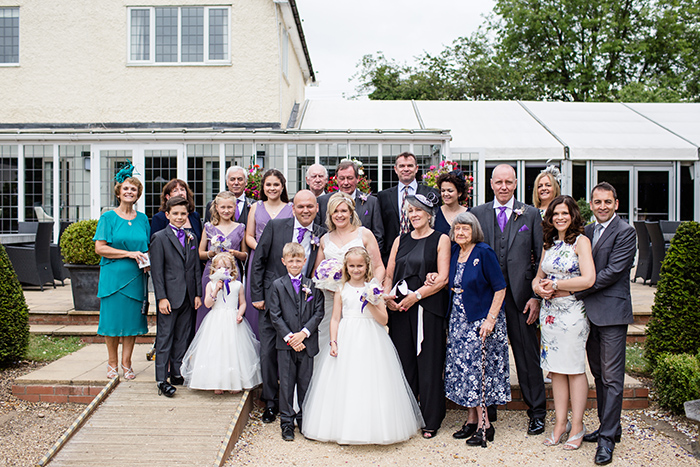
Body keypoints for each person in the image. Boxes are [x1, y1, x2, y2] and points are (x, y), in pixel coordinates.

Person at [303, 247, 424, 444]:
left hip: (370, 337)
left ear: (367, 266)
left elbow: (384, 319)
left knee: (370, 381)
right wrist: (333, 342)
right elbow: (335, 319)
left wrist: (369, 302)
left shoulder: (374, 287)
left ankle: (375, 429)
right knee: (346, 381)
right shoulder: (341, 289)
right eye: (352, 266)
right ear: (346, 267)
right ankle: (344, 428)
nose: (356, 269)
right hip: (347, 336)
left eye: (360, 265)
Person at [470, 164, 546, 435]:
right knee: (485, 354)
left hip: (521, 298)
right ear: (491, 184)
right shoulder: (476, 213)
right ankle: (486, 411)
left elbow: (542, 259)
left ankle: (537, 411)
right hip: (486, 298)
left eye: (509, 182)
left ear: (516, 184)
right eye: (499, 182)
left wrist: (536, 296)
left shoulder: (532, 214)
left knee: (527, 357)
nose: (504, 187)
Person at [250, 190, 326, 424]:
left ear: (316, 208)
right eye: (301, 206)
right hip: (272, 301)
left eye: (310, 207)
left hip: (305, 304)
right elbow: (259, 260)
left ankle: (301, 407)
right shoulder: (275, 226)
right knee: (269, 353)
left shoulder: (322, 235)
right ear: (293, 208)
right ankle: (271, 403)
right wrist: (257, 294)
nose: (305, 210)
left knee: (301, 354)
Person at [574, 182, 636, 466]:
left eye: (606, 202)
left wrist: (575, 289)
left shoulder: (626, 232)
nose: (601, 207)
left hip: (612, 314)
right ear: (591, 203)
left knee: (612, 379)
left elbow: (612, 272)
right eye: (597, 202)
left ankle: (607, 441)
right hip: (589, 315)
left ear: (616, 203)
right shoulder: (585, 232)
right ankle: (611, 426)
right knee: (599, 375)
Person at [383, 192, 450, 439]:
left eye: (418, 210)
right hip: (400, 310)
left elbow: (442, 278)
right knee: (404, 363)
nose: (414, 215)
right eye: (410, 211)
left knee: (429, 363)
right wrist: (388, 296)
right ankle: (407, 416)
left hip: (427, 309)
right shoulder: (400, 240)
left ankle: (431, 418)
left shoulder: (440, 239)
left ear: (429, 214)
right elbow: (389, 274)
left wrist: (417, 296)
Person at [532, 195, 595, 450]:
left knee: (574, 368)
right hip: (549, 315)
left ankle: (578, 425)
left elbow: (589, 279)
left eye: (565, 214)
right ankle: (560, 423)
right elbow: (538, 277)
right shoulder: (549, 243)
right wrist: (539, 288)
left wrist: (557, 284)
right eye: (556, 213)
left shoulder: (581, 242)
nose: (560, 217)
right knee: (556, 369)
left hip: (572, 314)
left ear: (573, 216)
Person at [443, 212, 509, 447]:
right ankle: (471, 420)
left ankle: (485, 426)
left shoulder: (484, 252)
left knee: (478, 373)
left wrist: (490, 319)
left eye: (465, 229)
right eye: (457, 229)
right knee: (464, 373)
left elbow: (500, 288)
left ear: (475, 231)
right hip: (459, 320)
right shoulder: (454, 252)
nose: (460, 233)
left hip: (481, 320)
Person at [93, 167, 150, 380]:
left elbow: (146, 247)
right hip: (113, 276)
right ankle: (111, 363)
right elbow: (100, 248)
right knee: (112, 322)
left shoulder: (143, 219)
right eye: (125, 188)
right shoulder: (108, 217)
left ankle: (127, 363)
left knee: (131, 322)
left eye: (133, 189)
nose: (129, 192)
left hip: (136, 276)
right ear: (118, 192)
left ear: (137, 194)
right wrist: (129, 253)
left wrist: (147, 260)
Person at [313, 192, 385, 355]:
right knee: (329, 339)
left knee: (358, 342)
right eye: (335, 211)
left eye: (343, 211)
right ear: (330, 215)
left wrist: (371, 289)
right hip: (332, 299)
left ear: (351, 212)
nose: (339, 215)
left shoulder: (364, 234)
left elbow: (379, 267)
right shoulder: (325, 239)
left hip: (359, 298)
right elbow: (317, 272)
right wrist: (327, 283)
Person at [180, 252, 261, 394]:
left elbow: (242, 303)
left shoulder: (238, 285)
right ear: (214, 269)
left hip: (232, 318)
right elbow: (207, 303)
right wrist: (216, 289)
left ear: (232, 269)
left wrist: (240, 314)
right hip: (216, 319)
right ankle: (217, 382)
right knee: (216, 350)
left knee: (233, 350)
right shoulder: (211, 285)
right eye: (219, 268)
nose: (223, 271)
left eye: (227, 268)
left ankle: (234, 382)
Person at [268, 243, 325, 441]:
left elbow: (319, 312)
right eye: (290, 260)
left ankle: (305, 421)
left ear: (304, 261)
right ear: (284, 262)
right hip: (285, 345)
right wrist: (291, 338)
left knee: (305, 384)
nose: (294, 263)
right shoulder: (277, 285)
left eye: (298, 260)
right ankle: (286, 423)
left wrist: (304, 333)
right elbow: (274, 315)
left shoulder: (313, 285)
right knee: (286, 384)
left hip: (306, 343)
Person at [150, 196, 203, 397]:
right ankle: (161, 379)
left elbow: (195, 268)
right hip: (169, 297)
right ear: (167, 215)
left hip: (188, 295)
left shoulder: (192, 237)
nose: (179, 217)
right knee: (165, 337)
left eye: (183, 214)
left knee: (182, 336)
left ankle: (177, 372)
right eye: (176, 214)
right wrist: (161, 297)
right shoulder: (159, 237)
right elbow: (157, 271)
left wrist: (197, 293)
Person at [245, 169, 294, 329]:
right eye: (268, 184)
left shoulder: (291, 208)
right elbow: (249, 236)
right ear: (263, 187)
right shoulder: (255, 207)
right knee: (259, 299)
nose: (272, 188)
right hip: (259, 258)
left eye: (276, 184)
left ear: (282, 187)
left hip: (283, 260)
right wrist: (262, 249)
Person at [196, 191, 248, 332]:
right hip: (211, 272)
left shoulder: (240, 227)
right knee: (210, 305)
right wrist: (211, 253)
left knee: (229, 307)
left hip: (233, 273)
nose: (226, 211)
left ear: (235, 208)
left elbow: (245, 255)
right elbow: (200, 253)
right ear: (216, 208)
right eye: (223, 207)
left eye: (229, 207)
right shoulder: (208, 227)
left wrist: (236, 253)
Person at [378, 152, 439, 264]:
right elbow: (380, 229)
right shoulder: (383, 197)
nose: (406, 169)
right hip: (391, 256)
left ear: (416, 169)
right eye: (402, 166)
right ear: (396, 169)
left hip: (423, 255)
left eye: (410, 166)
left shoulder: (431, 193)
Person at [316, 160, 384, 252]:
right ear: (336, 179)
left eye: (350, 178)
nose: (345, 182)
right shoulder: (323, 201)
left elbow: (378, 237)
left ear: (357, 178)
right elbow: (319, 233)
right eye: (342, 178)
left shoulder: (372, 202)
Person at [151, 178, 202, 242]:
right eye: (175, 190)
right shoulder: (159, 218)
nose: (180, 193)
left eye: (182, 189)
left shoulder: (195, 216)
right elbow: (156, 243)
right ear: (168, 197)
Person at [434, 170, 469, 235]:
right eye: (443, 190)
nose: (446, 194)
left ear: (459, 193)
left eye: (450, 191)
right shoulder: (434, 213)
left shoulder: (470, 214)